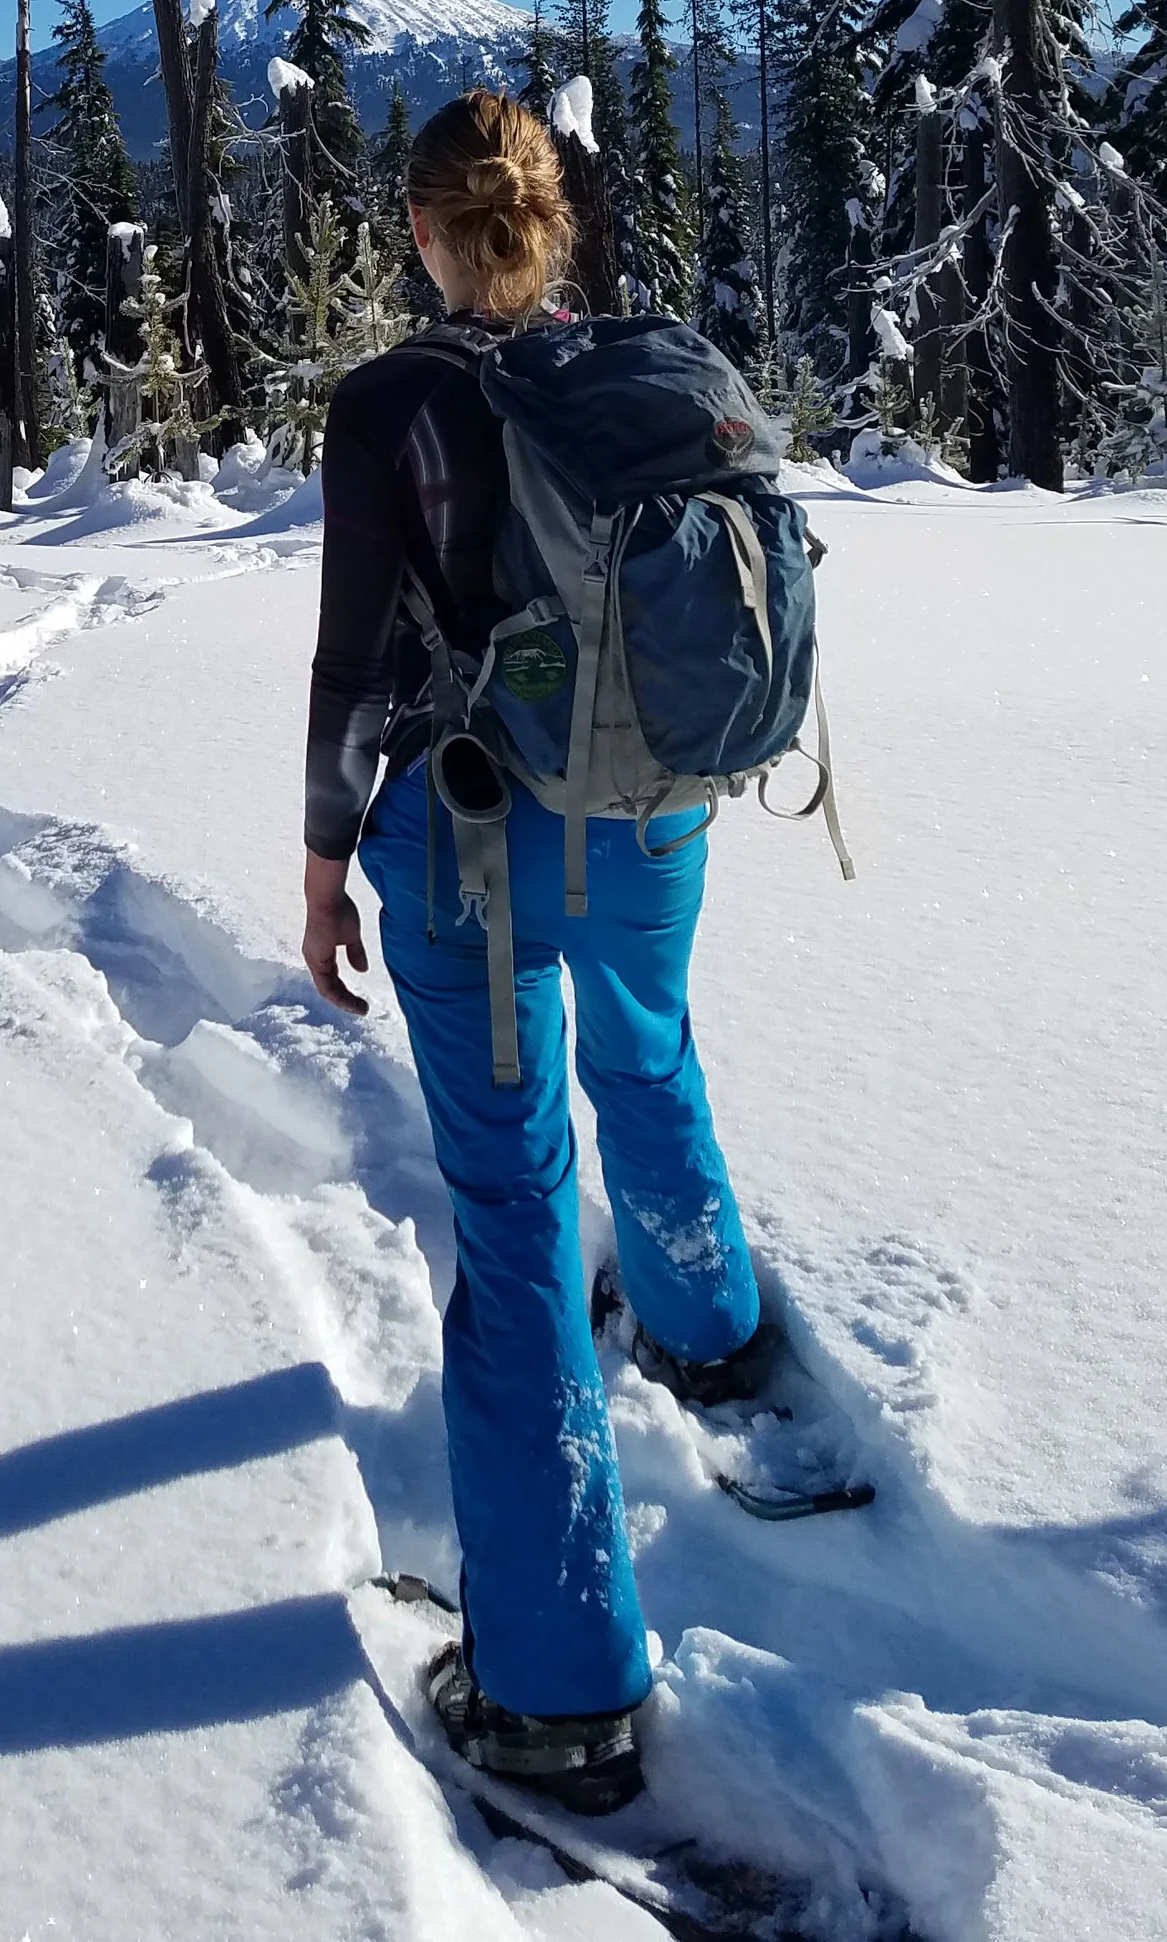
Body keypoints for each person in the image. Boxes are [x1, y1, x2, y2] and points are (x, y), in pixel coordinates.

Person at [301, 90, 774, 1816]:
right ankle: (709, 1324)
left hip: (471, 844)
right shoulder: (649, 374)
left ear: (424, 230)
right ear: (551, 217)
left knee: (509, 1210)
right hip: (653, 823)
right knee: (647, 1049)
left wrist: (323, 861)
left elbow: (354, 664)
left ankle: (560, 1691)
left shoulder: (391, 403)